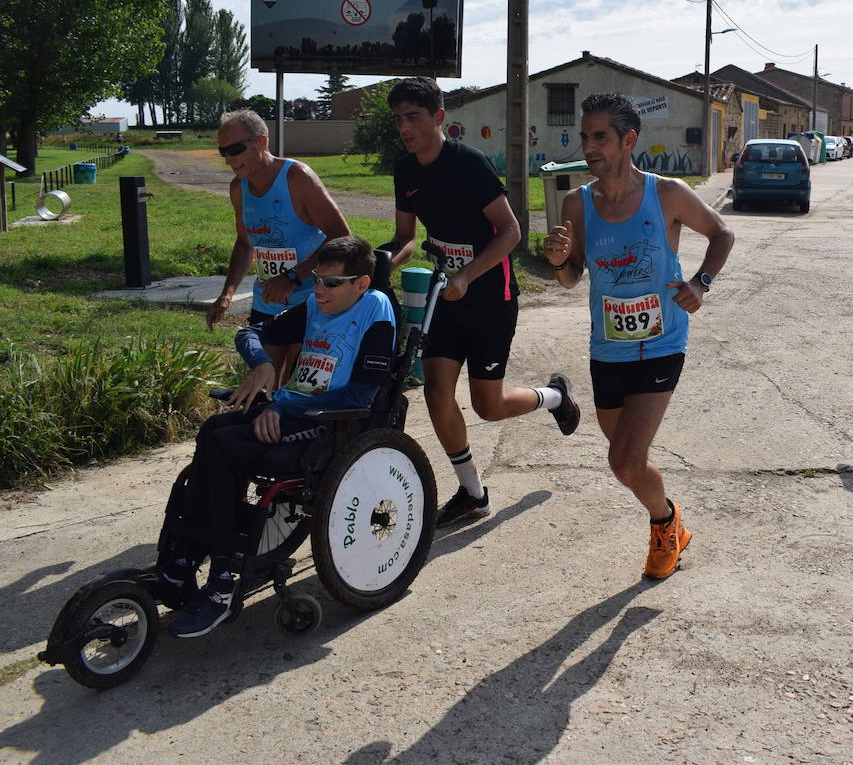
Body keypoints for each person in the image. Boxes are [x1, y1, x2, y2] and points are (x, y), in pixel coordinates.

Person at [164, 235, 397, 637]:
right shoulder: (316, 305)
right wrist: (263, 364)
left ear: (361, 284)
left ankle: (222, 580)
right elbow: (250, 333)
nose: (319, 289)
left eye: (331, 283)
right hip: (290, 408)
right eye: (317, 279)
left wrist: (282, 408)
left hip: (330, 422)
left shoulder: (376, 311)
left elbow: (361, 395)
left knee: (225, 446)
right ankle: (185, 554)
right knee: (212, 430)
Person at [544, 93, 734, 580]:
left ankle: (663, 528)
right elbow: (572, 277)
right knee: (629, 460)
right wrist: (560, 261)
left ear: (628, 140)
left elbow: (721, 233)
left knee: (624, 462)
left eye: (600, 136)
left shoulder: (666, 193)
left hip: (661, 343)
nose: (589, 146)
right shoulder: (576, 203)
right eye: (585, 136)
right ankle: (671, 518)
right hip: (608, 349)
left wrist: (700, 283)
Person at [380, 77, 580, 528]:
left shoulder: (468, 163)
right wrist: (377, 266)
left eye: (413, 117)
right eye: (398, 120)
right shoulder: (405, 169)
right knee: (436, 392)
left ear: (438, 117)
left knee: (488, 406)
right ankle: (472, 493)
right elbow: (405, 238)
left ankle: (554, 396)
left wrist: (468, 275)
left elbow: (511, 232)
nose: (404, 127)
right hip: (446, 296)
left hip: (490, 295)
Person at [205, 109, 350, 344]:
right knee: (262, 366)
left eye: (235, 149)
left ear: (261, 142)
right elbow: (244, 244)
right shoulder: (238, 188)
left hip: (313, 300)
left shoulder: (296, 177)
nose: (228, 159)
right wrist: (227, 294)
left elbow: (341, 236)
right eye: (223, 152)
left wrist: (293, 276)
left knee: (298, 369)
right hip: (267, 300)